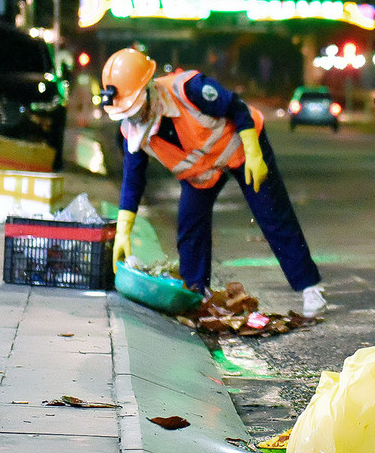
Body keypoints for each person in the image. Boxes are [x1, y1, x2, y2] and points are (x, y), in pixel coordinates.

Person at [99, 47, 327, 317]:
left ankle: (310, 287)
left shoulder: (189, 89)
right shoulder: (132, 131)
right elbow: (133, 180)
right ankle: (196, 296)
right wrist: (124, 229)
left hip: (241, 150)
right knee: (190, 229)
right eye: (126, 113)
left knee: (273, 215)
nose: (135, 118)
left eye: (135, 109)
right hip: (202, 175)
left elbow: (237, 108)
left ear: (149, 89)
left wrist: (254, 152)